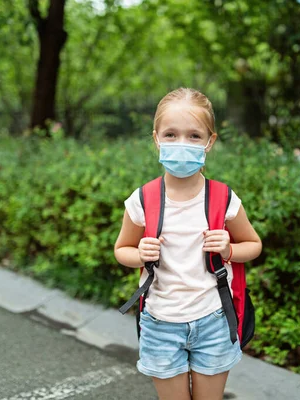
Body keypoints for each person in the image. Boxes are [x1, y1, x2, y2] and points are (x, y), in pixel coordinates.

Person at [113, 87, 262, 400]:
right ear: (156, 139)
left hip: (214, 321)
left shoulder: (224, 199)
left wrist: (230, 250)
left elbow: (253, 244)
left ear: (210, 141)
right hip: (160, 323)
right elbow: (121, 250)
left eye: (194, 136)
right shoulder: (142, 200)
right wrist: (138, 254)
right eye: (171, 134)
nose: (181, 144)